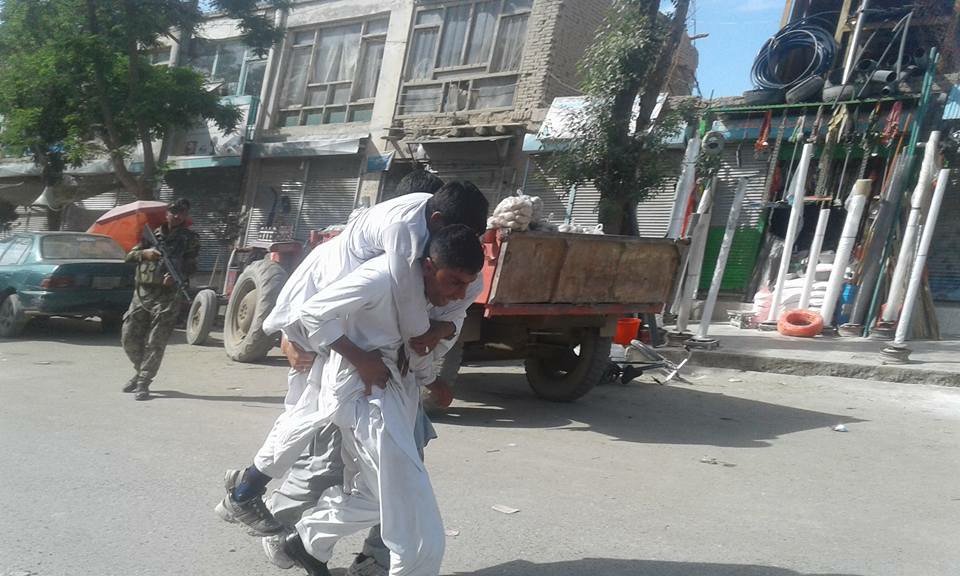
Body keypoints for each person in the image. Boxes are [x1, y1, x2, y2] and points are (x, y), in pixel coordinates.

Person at [215, 177, 488, 537]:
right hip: (333, 341)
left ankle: (261, 499)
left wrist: (439, 336)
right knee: (317, 438)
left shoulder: (441, 263)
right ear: (433, 220)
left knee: (383, 468)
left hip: (365, 356)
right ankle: (257, 500)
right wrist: (361, 356)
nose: (460, 246)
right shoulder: (394, 255)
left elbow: (441, 321)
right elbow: (404, 323)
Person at [261, 225, 485, 576]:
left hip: (395, 399)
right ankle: (287, 525)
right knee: (416, 520)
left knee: (377, 497)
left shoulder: (423, 296)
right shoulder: (382, 277)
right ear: (428, 266)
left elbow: (423, 343)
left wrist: (434, 363)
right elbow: (312, 313)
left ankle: (307, 542)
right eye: (454, 282)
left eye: (465, 285)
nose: (459, 293)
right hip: (367, 400)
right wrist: (359, 359)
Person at [121, 198, 199, 401]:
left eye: (182, 212)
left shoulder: (190, 238)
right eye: (174, 211)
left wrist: (177, 275)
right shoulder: (151, 234)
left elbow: (192, 265)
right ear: (167, 213)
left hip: (167, 296)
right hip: (142, 293)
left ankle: (144, 382)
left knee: (156, 341)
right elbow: (129, 256)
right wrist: (145, 253)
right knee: (128, 336)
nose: (177, 215)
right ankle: (140, 371)